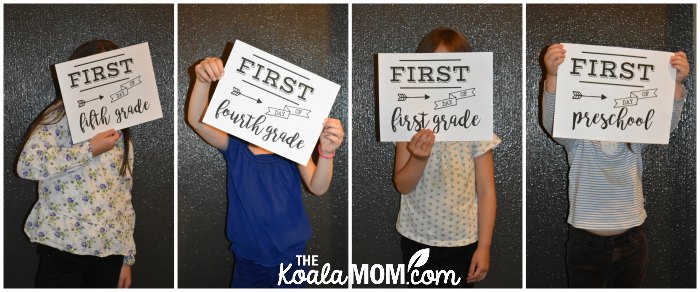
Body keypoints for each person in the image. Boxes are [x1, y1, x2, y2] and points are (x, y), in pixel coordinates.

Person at [187, 56, 344, 288]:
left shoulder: (293, 145)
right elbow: (198, 121)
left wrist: (327, 153)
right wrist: (202, 80)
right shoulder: (236, 146)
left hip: (294, 260)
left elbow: (318, 187)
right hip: (249, 260)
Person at [541, 43, 689, 288]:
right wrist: (553, 76)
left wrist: (676, 83)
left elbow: (665, 124)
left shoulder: (635, 137)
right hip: (585, 242)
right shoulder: (577, 138)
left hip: (632, 240)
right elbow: (553, 121)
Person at [17, 40, 135, 288]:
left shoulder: (121, 129)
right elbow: (27, 165)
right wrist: (89, 149)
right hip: (63, 248)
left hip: (108, 252)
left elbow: (124, 194)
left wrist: (127, 257)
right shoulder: (59, 116)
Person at [393, 28, 500, 288]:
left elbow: (486, 190)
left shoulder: (476, 124)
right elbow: (403, 185)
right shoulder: (408, 122)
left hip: (464, 240)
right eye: (433, 67)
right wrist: (418, 158)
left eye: (450, 67)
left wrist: (484, 246)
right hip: (416, 236)